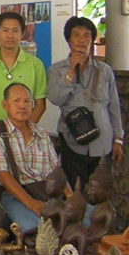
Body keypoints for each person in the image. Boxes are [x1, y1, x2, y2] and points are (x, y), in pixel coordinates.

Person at [47, 16, 124, 189]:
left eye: (86, 35)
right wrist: (70, 74)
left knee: (100, 192)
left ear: (91, 40)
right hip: (72, 141)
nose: (82, 40)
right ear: (68, 40)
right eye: (76, 35)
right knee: (75, 193)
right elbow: (54, 98)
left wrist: (118, 139)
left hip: (103, 142)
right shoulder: (56, 70)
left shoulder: (104, 71)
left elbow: (113, 106)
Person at [0, 83, 69, 233]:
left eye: (27, 101)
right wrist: (32, 203)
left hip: (46, 192)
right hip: (14, 195)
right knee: (36, 230)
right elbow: (2, 174)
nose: (22, 105)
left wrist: (71, 198)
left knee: (87, 219)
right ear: (5, 105)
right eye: (16, 101)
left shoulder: (41, 133)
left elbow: (56, 172)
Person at [0, 11, 47, 143]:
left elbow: (40, 104)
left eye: (15, 31)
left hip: (25, 139)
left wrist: (26, 131)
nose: (10, 35)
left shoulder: (35, 64)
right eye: (5, 30)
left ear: (22, 33)